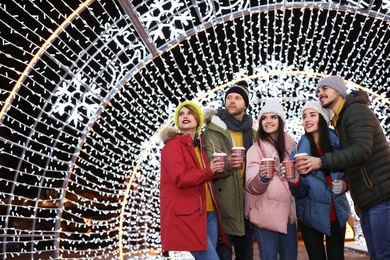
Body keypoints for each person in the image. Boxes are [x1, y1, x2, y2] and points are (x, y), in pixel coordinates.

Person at [296, 75, 390, 259]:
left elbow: (362, 150)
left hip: (380, 194)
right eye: (318, 91)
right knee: (377, 254)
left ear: (339, 91)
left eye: (325, 88)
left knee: (383, 253)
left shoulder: (354, 111)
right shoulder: (339, 122)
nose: (320, 93)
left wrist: (321, 161)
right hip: (366, 199)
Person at [159, 101, 228, 259]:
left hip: (209, 213)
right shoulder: (172, 147)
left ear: (198, 119)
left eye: (189, 113)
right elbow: (180, 179)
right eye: (181, 114)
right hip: (189, 216)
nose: (185, 116)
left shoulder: (203, 146)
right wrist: (209, 170)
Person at [288, 101, 350, 259]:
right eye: (304, 116)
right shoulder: (297, 152)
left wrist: (344, 184)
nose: (307, 119)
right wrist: (294, 180)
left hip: (336, 211)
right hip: (310, 213)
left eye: (312, 115)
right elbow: (299, 192)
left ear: (322, 118)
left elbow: (350, 172)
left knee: (337, 256)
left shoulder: (339, 146)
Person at [203, 82, 256, 259]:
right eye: (229, 98)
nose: (232, 101)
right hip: (224, 205)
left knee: (246, 255)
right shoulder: (214, 129)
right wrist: (227, 164)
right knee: (223, 255)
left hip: (246, 206)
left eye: (237, 98)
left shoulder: (252, 132)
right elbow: (211, 164)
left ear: (245, 104)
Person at [245, 98, 298, 260]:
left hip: (288, 216)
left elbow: (298, 183)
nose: (268, 121)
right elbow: (251, 185)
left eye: (273, 117)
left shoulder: (292, 148)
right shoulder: (255, 150)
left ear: (280, 121)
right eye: (265, 118)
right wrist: (262, 177)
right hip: (265, 215)